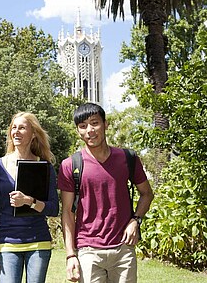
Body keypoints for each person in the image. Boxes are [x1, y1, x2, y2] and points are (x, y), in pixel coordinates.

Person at [58, 103, 154, 283]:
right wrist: (71, 255)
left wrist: (136, 220)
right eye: (83, 126)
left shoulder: (127, 158)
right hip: (88, 250)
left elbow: (147, 194)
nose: (89, 130)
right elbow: (67, 213)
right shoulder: (70, 165)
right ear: (78, 130)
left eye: (95, 123)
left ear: (105, 124)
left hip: (123, 248)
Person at [0, 112, 59, 283]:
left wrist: (29, 201)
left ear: (33, 133)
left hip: (38, 242)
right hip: (7, 242)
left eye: (22, 128)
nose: (16, 132)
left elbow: (53, 209)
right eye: (14, 128)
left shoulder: (45, 167)